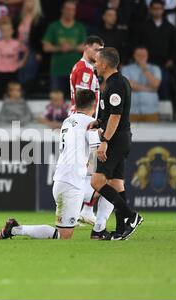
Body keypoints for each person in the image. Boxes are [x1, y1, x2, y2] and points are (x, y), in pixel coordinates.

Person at [0, 89, 101, 240]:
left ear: (75, 104)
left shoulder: (68, 120)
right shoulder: (89, 123)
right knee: (64, 235)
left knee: (105, 189)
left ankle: (97, 224)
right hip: (72, 182)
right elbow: (97, 150)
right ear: (95, 104)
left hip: (64, 179)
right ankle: (15, 229)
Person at [89, 47, 143, 241]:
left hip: (116, 139)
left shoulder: (117, 83)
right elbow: (109, 114)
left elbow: (116, 115)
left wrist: (105, 142)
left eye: (96, 61)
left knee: (96, 181)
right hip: (120, 137)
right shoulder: (112, 83)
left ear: (104, 64)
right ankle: (121, 230)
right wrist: (98, 122)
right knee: (116, 184)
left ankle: (131, 215)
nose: (95, 65)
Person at [69, 35, 104, 225]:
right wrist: (94, 123)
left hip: (81, 122)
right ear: (86, 48)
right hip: (85, 123)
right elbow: (84, 99)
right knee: (95, 168)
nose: (99, 53)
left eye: (101, 50)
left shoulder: (86, 68)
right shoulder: (84, 70)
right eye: (96, 49)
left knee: (86, 169)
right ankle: (86, 209)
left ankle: (82, 210)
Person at [42, 0, 87, 97]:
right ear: (62, 10)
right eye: (68, 9)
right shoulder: (54, 26)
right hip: (57, 70)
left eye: (73, 10)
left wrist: (71, 47)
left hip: (76, 71)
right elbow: (46, 47)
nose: (70, 12)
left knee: (76, 100)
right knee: (56, 99)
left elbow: (85, 47)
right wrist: (60, 48)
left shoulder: (80, 27)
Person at [0, 21, 28, 98]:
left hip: (13, 71)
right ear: (1, 32)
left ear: (12, 31)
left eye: (8, 30)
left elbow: (26, 50)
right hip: (0, 72)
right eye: (3, 30)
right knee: (1, 94)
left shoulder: (17, 43)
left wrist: (23, 61)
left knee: (13, 93)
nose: (6, 32)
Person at [122, 46, 161, 122]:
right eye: (138, 55)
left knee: (153, 133)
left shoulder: (155, 68)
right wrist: (150, 89)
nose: (141, 57)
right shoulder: (126, 69)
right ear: (134, 56)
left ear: (147, 56)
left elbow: (155, 84)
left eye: (143, 55)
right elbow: (129, 85)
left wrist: (144, 68)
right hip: (132, 110)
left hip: (151, 110)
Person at [15, 0, 47, 90]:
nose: (29, 3)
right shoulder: (19, 17)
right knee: (19, 70)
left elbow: (41, 37)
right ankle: (18, 91)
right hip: (18, 48)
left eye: (31, 1)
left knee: (28, 69)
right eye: (27, 1)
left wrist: (39, 52)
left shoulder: (40, 19)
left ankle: (25, 90)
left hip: (32, 48)